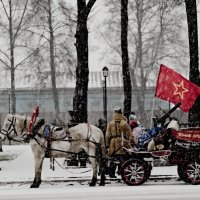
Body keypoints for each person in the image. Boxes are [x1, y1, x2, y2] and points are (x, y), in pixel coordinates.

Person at [105, 107, 135, 178]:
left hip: (113, 142)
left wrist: (107, 144)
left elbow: (107, 135)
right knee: (123, 158)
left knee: (113, 158)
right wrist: (133, 142)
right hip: (122, 142)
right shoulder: (124, 123)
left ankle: (111, 173)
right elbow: (130, 134)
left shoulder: (110, 123)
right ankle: (121, 171)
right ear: (121, 113)